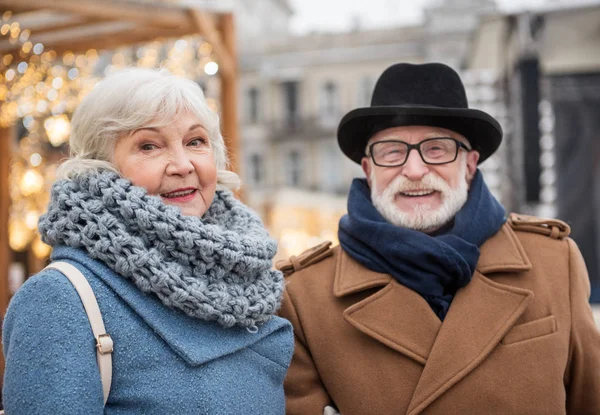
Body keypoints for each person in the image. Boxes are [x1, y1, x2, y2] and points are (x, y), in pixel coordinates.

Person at [277, 62, 600, 414]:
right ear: (369, 171)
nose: (414, 171)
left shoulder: (553, 262)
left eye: (437, 148)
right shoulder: (305, 299)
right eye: (391, 151)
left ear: (470, 164)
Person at [2, 68, 293, 414]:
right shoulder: (60, 299)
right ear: (102, 167)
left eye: (195, 141)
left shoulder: (249, 282)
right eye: (149, 146)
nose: (182, 165)